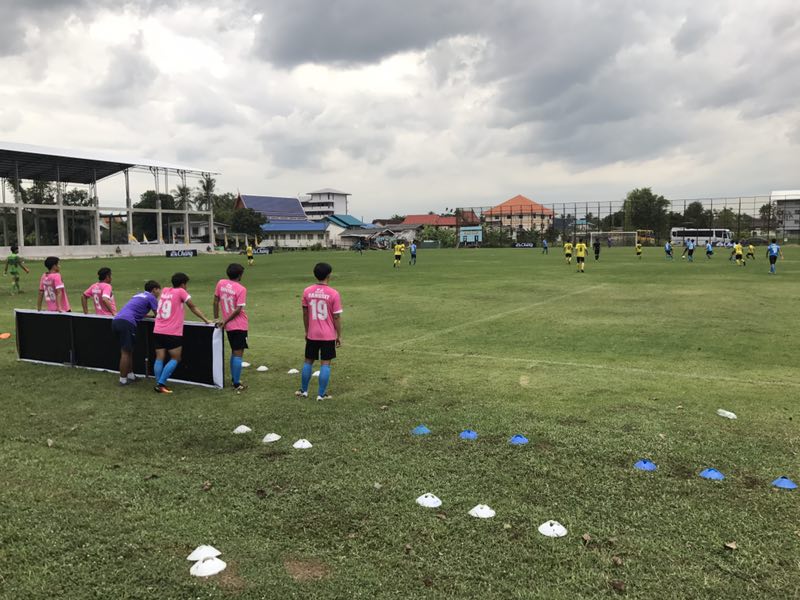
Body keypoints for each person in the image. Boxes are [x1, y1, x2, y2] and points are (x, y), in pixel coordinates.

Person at [152, 272, 211, 394]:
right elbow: (192, 307)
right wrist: (206, 320)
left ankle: (158, 382)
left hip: (158, 329)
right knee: (176, 358)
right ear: (183, 284)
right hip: (171, 332)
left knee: (159, 357)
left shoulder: (165, 290)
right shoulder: (181, 292)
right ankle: (161, 384)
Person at [296, 262, 342, 401]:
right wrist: (339, 335)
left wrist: (307, 330)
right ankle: (321, 394)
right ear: (329, 275)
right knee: (325, 363)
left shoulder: (307, 291)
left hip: (312, 333)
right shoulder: (334, 293)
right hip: (328, 335)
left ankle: (303, 390)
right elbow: (336, 317)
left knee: (308, 361)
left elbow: (305, 313)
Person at [112, 281, 161, 386]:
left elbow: (136, 310)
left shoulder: (138, 295)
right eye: (158, 290)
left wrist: (149, 316)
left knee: (128, 350)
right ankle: (123, 380)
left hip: (117, 321)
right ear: (154, 290)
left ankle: (130, 375)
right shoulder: (151, 297)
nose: (159, 292)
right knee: (125, 352)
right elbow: (158, 315)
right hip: (127, 323)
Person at [214, 263, 249, 392]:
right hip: (239, 325)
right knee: (238, 353)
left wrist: (217, 318)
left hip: (228, 326)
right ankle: (236, 383)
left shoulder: (221, 283)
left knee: (234, 351)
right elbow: (238, 309)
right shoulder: (241, 289)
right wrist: (225, 320)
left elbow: (215, 301)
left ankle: (235, 379)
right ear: (240, 275)